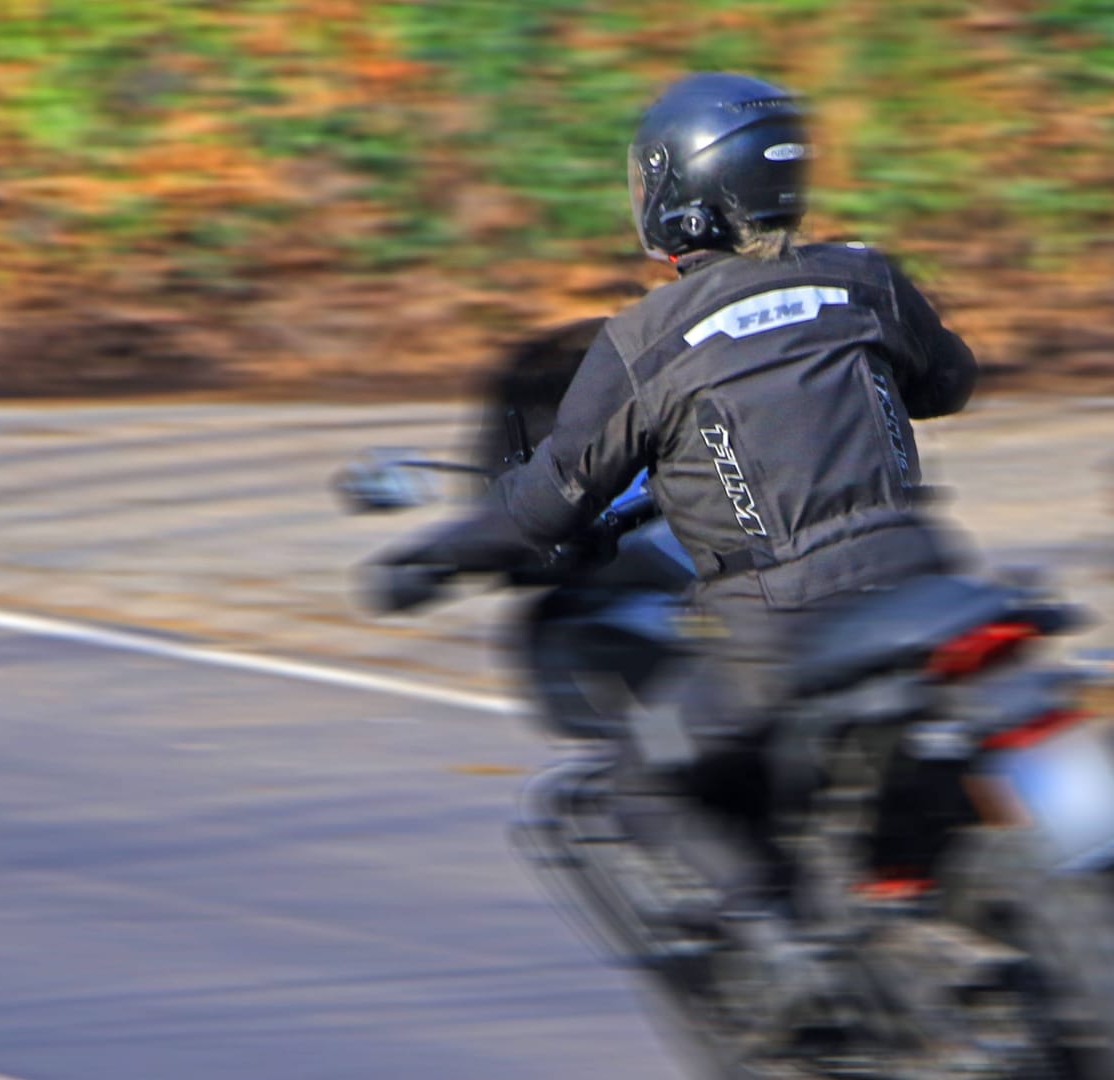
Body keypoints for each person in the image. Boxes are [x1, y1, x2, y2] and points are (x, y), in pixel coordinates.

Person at [386, 72, 977, 881]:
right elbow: (949, 384)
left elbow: (543, 503)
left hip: (780, 627)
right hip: (926, 581)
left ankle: (785, 967)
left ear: (681, 187)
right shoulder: (865, 278)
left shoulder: (649, 339)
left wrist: (433, 555)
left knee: (641, 784)